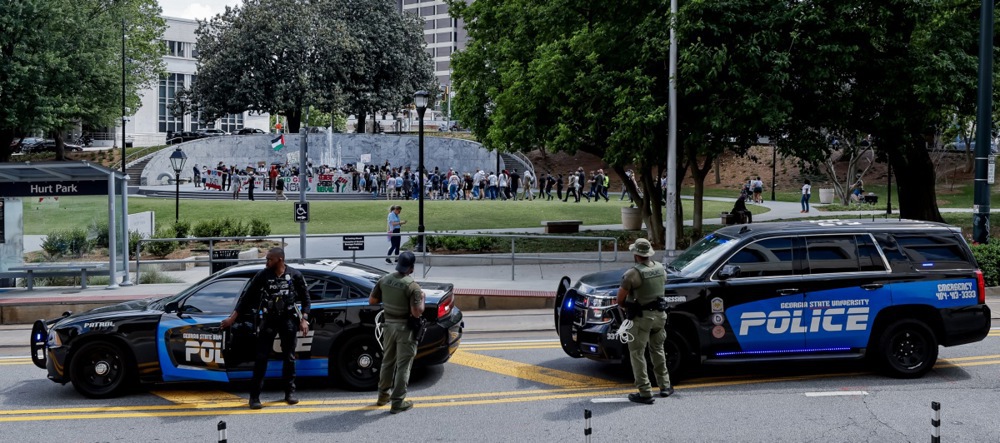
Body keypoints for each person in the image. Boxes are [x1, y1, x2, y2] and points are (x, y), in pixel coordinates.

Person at [220, 248, 310, 410]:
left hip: (288, 320)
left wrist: (304, 319)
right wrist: (232, 319)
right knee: (261, 358)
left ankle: (289, 393)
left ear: (280, 260)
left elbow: (306, 299)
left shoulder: (295, 275)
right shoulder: (263, 275)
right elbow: (246, 299)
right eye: (267, 259)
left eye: (270, 259)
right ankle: (254, 397)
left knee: (289, 357)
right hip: (268, 320)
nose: (266, 262)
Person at [616, 238, 672, 404]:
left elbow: (620, 299)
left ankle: (645, 391)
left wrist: (628, 306)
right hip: (660, 317)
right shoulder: (660, 268)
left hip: (642, 319)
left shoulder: (632, 274)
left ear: (636, 254)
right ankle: (665, 386)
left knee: (637, 354)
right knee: (658, 349)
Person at [369, 251, 425, 414]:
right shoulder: (413, 286)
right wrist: (422, 298)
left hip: (388, 326)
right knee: (403, 366)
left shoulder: (384, 279)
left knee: (387, 361)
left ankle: (383, 396)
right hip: (404, 329)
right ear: (412, 268)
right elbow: (416, 312)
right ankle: (398, 402)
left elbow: (372, 300)